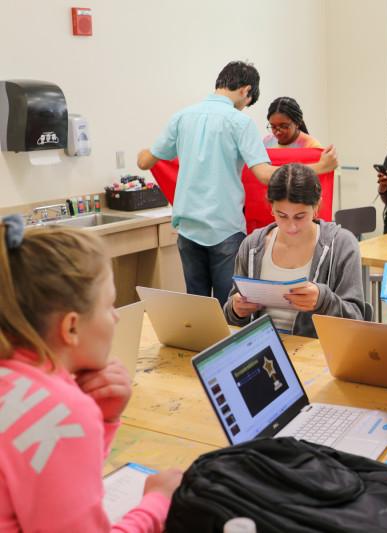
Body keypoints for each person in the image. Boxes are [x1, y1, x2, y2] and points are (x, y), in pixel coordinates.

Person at [0, 216, 183, 531]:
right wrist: (157, 503)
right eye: (109, 305)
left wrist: (103, 420)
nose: (115, 318)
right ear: (71, 326)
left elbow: (50, 483)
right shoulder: (60, 411)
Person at [137, 61, 338, 308]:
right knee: (231, 308)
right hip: (224, 228)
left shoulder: (181, 117)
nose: (244, 108)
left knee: (197, 307)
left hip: (187, 228)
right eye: (247, 102)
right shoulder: (239, 123)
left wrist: (143, 152)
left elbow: (145, 161)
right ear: (245, 90)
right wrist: (319, 168)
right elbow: (265, 175)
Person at [223, 163, 365, 337]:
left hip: (316, 354)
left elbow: (356, 320)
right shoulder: (253, 246)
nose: (291, 227)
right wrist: (236, 310)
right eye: (281, 215)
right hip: (261, 347)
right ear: (271, 207)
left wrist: (323, 300)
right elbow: (231, 317)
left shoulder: (341, 244)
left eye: (300, 216)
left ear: (316, 207)